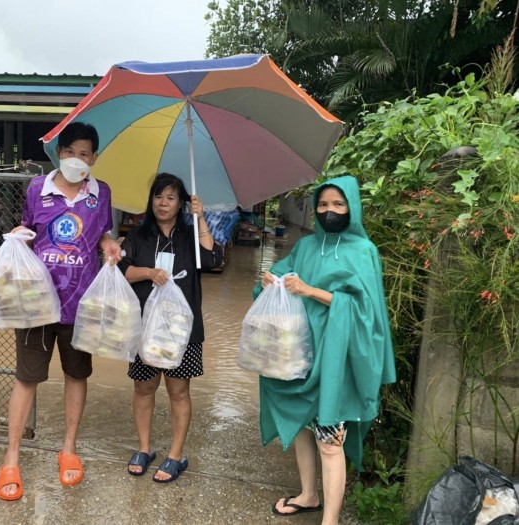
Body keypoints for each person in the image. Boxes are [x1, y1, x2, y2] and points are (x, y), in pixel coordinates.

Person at [255, 175, 396, 523]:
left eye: (337, 204)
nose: (329, 210)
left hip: (337, 361)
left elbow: (366, 312)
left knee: (330, 443)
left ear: (352, 207)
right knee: (303, 427)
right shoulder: (306, 246)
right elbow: (281, 275)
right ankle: (308, 495)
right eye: (322, 204)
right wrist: (270, 280)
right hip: (299, 353)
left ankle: (330, 520)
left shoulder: (363, 251)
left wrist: (310, 291)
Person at [0, 122, 122, 500]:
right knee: (26, 378)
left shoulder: (101, 193)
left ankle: (68, 448)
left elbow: (102, 234)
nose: (76, 159)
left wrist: (109, 245)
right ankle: (11, 458)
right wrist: (18, 235)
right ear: (59, 154)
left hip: (80, 304)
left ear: (94, 158)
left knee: (76, 374)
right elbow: (28, 226)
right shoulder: (38, 188)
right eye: (70, 152)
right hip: (37, 303)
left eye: (84, 154)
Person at [117, 173, 223, 482]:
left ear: (181, 204)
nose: (163, 203)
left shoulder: (190, 236)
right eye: (158, 196)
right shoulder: (138, 236)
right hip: (145, 328)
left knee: (178, 391)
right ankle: (144, 448)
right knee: (143, 387)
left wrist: (200, 217)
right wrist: (149, 272)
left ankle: (176, 455)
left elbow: (213, 258)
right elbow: (121, 270)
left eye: (171, 198)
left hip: (182, 331)